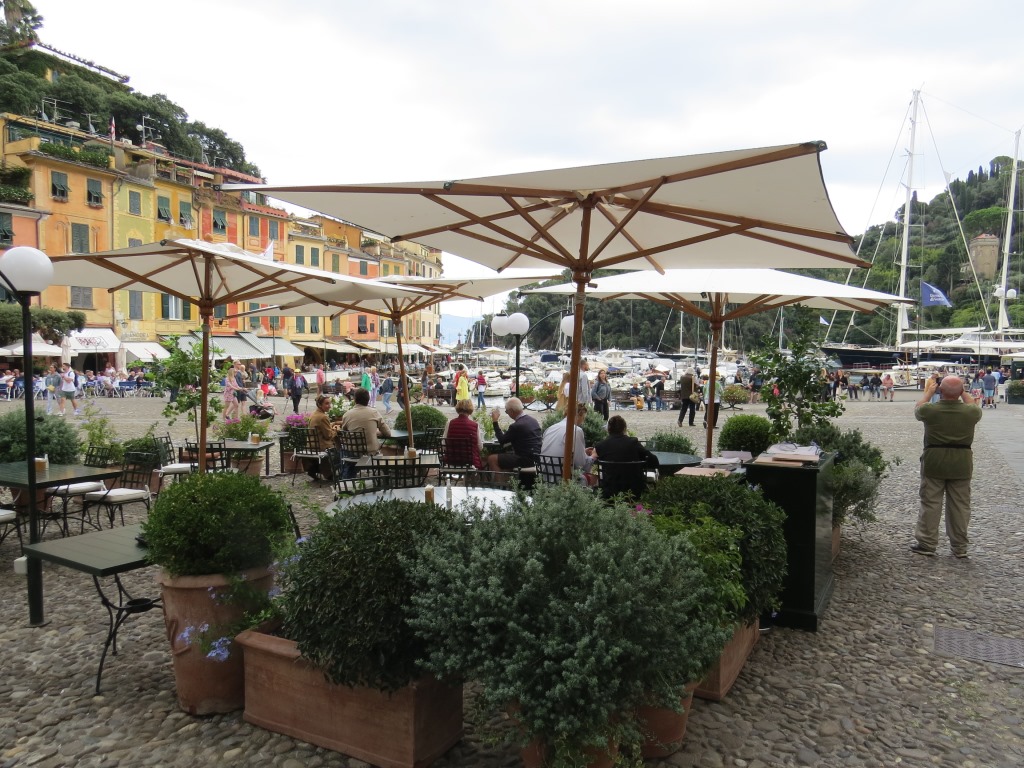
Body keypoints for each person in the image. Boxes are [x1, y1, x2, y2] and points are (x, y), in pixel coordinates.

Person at [910, 375, 981, 558]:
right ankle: (959, 546)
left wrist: (928, 393)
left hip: (934, 459)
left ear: (940, 390)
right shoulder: (970, 412)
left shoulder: (930, 410)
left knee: (930, 503)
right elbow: (973, 405)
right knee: (960, 506)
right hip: (961, 461)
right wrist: (962, 392)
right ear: (961, 391)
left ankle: (927, 543)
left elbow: (918, 408)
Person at [594, 415, 659, 498]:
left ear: (608, 429)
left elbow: (594, 461)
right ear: (624, 428)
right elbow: (654, 461)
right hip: (634, 491)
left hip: (610, 491)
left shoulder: (601, 446)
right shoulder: (633, 443)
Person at [540, 402, 596, 482]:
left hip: (545, 476)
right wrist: (593, 456)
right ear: (579, 415)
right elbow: (581, 464)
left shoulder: (550, 428)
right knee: (595, 478)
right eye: (583, 418)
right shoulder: (576, 430)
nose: (583, 421)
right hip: (564, 478)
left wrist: (583, 452)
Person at [487, 396, 542, 472]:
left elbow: (502, 441)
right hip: (537, 458)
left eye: (506, 411)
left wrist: (495, 421)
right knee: (506, 457)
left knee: (492, 459)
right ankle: (508, 478)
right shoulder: (533, 421)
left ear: (511, 411)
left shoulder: (516, 426)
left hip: (525, 459)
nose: (507, 414)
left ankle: (499, 480)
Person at [340, 387, 392, 456]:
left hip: (352, 454)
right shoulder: (374, 413)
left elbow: (344, 434)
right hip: (370, 454)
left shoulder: (347, 415)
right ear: (368, 399)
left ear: (354, 399)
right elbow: (387, 433)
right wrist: (374, 433)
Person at [305, 394, 339, 480]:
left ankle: (315, 468)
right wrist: (336, 430)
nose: (329, 406)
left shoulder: (314, 414)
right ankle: (331, 473)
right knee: (340, 450)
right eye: (327, 403)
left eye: (330, 403)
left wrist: (331, 426)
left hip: (311, 444)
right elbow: (328, 436)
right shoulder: (323, 417)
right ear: (320, 405)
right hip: (321, 446)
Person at [443, 398, 483, 469]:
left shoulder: (449, 423)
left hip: (451, 461)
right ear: (470, 410)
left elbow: (444, 444)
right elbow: (480, 447)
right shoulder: (475, 425)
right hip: (470, 463)